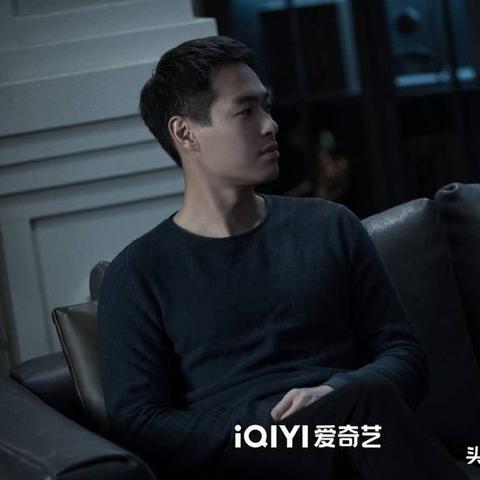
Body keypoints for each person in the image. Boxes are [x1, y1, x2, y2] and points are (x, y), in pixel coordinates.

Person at [97, 35, 468, 479]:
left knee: (366, 409)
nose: (270, 125)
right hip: (253, 455)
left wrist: (337, 389)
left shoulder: (328, 224)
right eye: (245, 111)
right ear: (185, 133)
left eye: (266, 107)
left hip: (358, 432)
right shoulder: (137, 273)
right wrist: (266, 430)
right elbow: (138, 423)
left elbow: (404, 355)